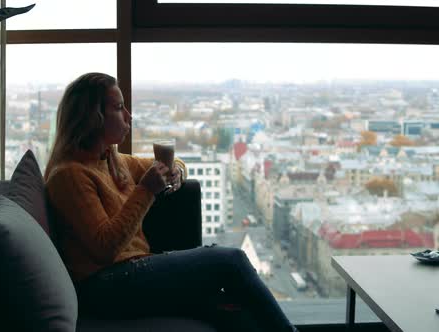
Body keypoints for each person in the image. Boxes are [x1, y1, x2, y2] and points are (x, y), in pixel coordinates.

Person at [44, 72, 298, 332]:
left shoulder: (110, 160)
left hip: (127, 274)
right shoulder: (69, 175)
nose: (129, 116)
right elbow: (104, 248)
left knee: (229, 308)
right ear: (92, 117)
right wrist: (145, 191)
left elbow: (170, 164)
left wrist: (176, 172)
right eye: (119, 108)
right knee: (230, 261)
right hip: (103, 285)